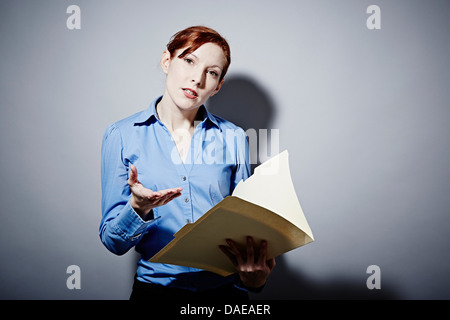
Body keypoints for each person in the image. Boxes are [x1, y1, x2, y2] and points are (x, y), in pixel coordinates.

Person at [100, 26, 275, 300]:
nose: (197, 79)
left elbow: (245, 230)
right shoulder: (121, 135)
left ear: (217, 87)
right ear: (167, 61)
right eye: (189, 60)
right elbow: (113, 241)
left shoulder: (234, 137)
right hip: (155, 293)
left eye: (212, 72)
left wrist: (252, 280)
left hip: (223, 294)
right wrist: (137, 208)